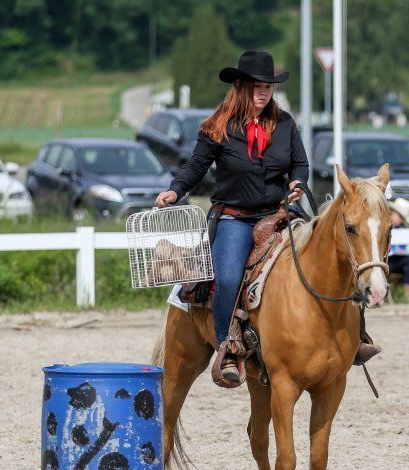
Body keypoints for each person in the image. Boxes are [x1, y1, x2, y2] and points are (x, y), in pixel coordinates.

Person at [155, 51, 377, 385]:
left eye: (268, 87)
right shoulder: (219, 125)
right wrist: (175, 190)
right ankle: (228, 345)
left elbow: (299, 164)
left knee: (334, 252)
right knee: (228, 278)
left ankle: (355, 334)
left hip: (279, 213)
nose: (264, 93)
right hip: (235, 218)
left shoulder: (285, 124)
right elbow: (196, 165)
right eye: (257, 86)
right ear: (241, 87)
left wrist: (297, 183)